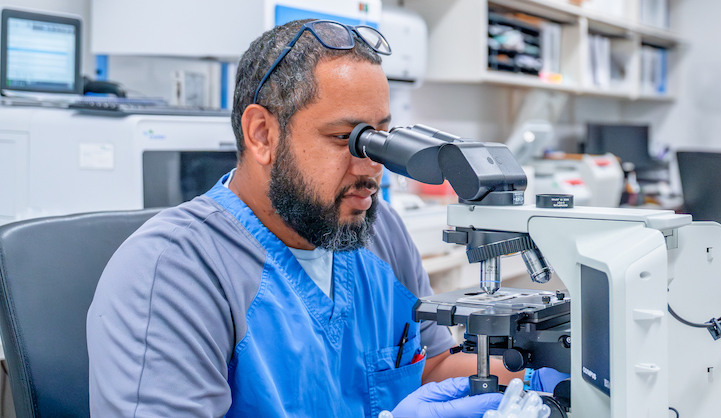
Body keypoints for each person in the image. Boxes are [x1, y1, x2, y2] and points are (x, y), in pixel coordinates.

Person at [86, 19, 506, 417]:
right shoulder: (172, 274)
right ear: (262, 135)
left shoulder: (380, 232)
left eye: (380, 137)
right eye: (345, 138)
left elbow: (429, 370)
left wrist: (547, 368)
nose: (371, 167)